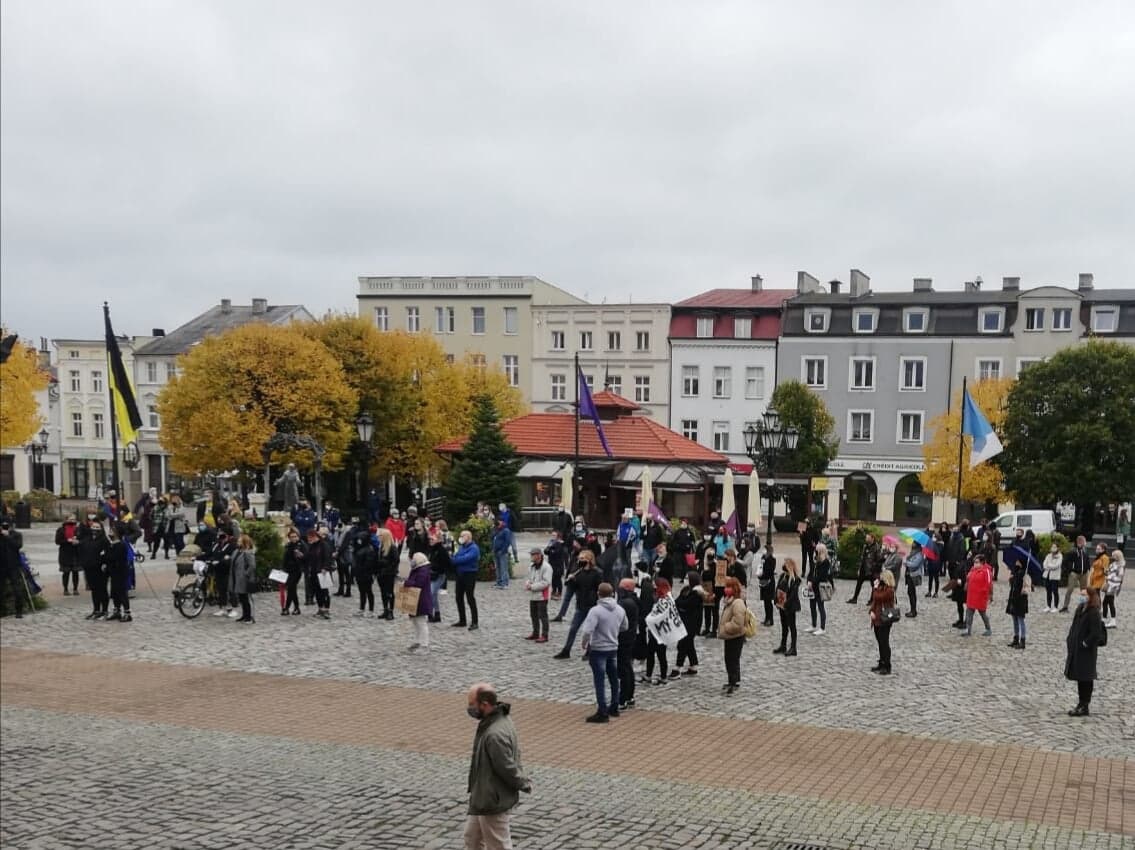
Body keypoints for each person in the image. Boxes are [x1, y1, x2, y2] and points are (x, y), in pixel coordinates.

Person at [464, 682, 531, 850]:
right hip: (483, 795)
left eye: (472, 704)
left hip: (492, 799)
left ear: (484, 704)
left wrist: (523, 783)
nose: (469, 708)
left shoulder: (494, 734)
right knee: (472, 838)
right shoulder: (499, 720)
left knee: (498, 845)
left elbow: (506, 766)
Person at [579, 582, 629, 723]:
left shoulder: (596, 611)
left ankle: (602, 711)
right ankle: (614, 706)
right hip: (613, 647)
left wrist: (584, 643)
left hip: (598, 648)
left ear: (598, 594)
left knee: (599, 681)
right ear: (612, 594)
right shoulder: (620, 609)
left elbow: (588, 630)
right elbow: (625, 626)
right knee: (613, 678)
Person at [1065, 587, 1107, 716]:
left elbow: (1095, 633)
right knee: (1080, 676)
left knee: (1086, 677)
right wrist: (1070, 639)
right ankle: (1080, 703)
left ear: (1090, 596)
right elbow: (1074, 627)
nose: (1081, 597)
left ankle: (1085, 704)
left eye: (1084, 595)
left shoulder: (1094, 612)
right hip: (1077, 649)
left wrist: (1085, 643)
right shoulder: (1080, 609)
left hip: (1087, 651)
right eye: (1081, 594)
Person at [553, 549, 600, 659]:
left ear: (589, 559)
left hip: (593, 605)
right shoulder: (578, 572)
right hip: (581, 605)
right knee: (573, 628)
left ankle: (589, 651)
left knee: (591, 629)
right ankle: (566, 650)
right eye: (579, 558)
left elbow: (599, 588)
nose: (580, 560)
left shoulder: (597, 573)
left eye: (582, 558)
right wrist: (571, 580)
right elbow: (572, 588)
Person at [671, 569, 704, 678]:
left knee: (683, 645)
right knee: (689, 645)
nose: (685, 580)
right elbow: (677, 602)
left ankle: (677, 668)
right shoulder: (685, 590)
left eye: (686, 578)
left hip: (692, 624)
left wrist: (681, 605)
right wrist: (681, 605)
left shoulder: (697, 594)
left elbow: (687, 604)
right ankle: (693, 666)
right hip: (683, 621)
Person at [718, 576, 748, 695]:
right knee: (729, 658)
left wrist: (726, 627)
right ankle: (732, 680)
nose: (726, 589)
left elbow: (738, 623)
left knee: (733, 659)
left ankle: (733, 682)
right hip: (730, 636)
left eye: (728, 587)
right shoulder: (730, 601)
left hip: (735, 635)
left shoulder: (738, 603)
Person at [78, 515, 110, 619]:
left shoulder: (104, 540)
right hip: (89, 568)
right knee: (94, 590)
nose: (95, 530)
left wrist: (105, 563)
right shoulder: (87, 539)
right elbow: (82, 549)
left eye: (97, 528)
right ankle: (96, 610)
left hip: (100, 569)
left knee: (102, 589)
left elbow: (107, 554)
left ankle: (104, 610)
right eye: (93, 527)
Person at [642, 577, 673, 685]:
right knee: (651, 653)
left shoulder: (665, 600)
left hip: (661, 631)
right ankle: (649, 675)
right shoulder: (657, 597)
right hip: (654, 630)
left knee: (661, 654)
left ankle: (663, 676)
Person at [615, 578, 640, 710]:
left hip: (624, 639)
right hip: (630, 637)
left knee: (624, 669)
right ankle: (629, 696)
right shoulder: (632, 600)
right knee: (627, 667)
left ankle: (623, 698)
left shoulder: (625, 603)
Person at [869, 569, 897, 674]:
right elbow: (874, 601)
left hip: (884, 619)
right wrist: (871, 611)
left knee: (884, 642)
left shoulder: (890, 590)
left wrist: (875, 588)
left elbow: (880, 597)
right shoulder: (880, 588)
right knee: (880, 642)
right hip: (877, 618)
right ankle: (881, 662)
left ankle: (887, 665)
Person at [452, 530, 480, 630]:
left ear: (468, 537)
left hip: (469, 574)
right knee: (458, 597)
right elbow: (455, 557)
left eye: (462, 536)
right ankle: (462, 620)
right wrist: (457, 559)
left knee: (470, 597)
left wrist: (457, 559)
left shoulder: (474, 548)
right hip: (460, 574)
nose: (461, 538)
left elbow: (464, 559)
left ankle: (475, 622)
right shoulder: (461, 547)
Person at [772, 558, 802, 656]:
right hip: (782, 604)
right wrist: (776, 599)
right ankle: (783, 645)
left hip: (790, 606)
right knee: (784, 625)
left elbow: (793, 594)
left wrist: (786, 603)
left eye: (785, 564)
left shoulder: (795, 579)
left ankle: (793, 647)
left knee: (792, 626)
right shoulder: (783, 576)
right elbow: (778, 588)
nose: (783, 565)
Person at [405, 552, 434, 651]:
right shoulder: (416, 569)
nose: (412, 560)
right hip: (415, 599)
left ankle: (424, 645)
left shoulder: (423, 570)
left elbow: (418, 584)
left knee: (421, 622)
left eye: (414, 559)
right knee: (415, 622)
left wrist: (406, 583)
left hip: (421, 600)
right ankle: (417, 642)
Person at [105, 521, 133, 622]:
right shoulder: (112, 544)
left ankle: (127, 613)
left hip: (120, 572)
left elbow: (113, 557)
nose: (110, 532)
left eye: (112, 531)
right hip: (113, 572)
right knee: (114, 592)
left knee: (122, 592)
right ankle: (117, 611)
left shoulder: (121, 545)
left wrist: (107, 556)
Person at [0, 520, 28, 619]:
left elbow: (18, 546)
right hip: (2, 566)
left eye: (7, 526)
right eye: (3, 526)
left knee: (16, 588)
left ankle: (19, 611)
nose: (5, 528)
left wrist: (7, 536)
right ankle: (2, 610)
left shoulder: (17, 535)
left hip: (13, 566)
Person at [523, 547, 552, 642]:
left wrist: (532, 587)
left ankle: (545, 635)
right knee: (533, 615)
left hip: (542, 596)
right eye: (531, 554)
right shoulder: (532, 566)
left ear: (539, 555)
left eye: (533, 555)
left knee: (543, 616)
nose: (531, 556)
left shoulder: (546, 567)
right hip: (533, 595)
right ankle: (535, 633)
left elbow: (546, 582)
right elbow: (530, 578)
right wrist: (528, 583)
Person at [961, 555, 994, 637]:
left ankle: (988, 629)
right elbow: (968, 579)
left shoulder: (986, 571)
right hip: (971, 596)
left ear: (982, 563)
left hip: (980, 597)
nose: (975, 564)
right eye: (974, 562)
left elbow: (989, 584)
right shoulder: (972, 570)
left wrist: (989, 595)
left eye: (977, 562)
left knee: (982, 613)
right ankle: (968, 630)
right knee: (969, 613)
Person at [305, 526, 333, 620]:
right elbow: (308, 557)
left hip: (323, 572)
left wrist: (325, 567)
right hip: (314, 572)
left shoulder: (324, 545)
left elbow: (327, 557)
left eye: (311, 537)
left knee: (324, 591)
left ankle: (326, 609)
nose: (309, 539)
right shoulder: (312, 546)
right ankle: (320, 608)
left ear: (315, 536)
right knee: (317, 591)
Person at [806, 542, 833, 635]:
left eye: (816, 550)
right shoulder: (815, 560)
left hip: (820, 587)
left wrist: (812, 582)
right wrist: (809, 581)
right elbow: (811, 572)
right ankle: (813, 625)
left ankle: (822, 627)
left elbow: (822, 576)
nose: (815, 552)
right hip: (813, 587)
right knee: (812, 606)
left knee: (821, 607)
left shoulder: (825, 562)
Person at [1059, 536, 1092, 613]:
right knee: (1070, 590)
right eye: (1084, 541)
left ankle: (1083, 607)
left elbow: (1087, 560)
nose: (1085, 543)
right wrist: (1069, 570)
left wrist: (1088, 568)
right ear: (1080, 542)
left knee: (1084, 591)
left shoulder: (1085, 551)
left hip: (1084, 573)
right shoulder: (1073, 551)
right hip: (1074, 573)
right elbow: (1065, 561)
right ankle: (1065, 606)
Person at [374, 527, 400, 621]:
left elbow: (395, 561)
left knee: (389, 592)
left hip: (389, 574)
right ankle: (385, 609)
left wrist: (387, 567)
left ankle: (390, 611)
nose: (378, 537)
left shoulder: (392, 548)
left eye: (380, 536)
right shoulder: (381, 547)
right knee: (383, 592)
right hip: (381, 574)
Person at [231, 534, 257, 624]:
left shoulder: (248, 552)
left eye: (240, 541)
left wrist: (246, 574)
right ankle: (244, 615)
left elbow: (252, 566)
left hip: (245, 579)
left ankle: (249, 617)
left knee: (246, 598)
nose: (238, 542)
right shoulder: (238, 551)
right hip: (238, 577)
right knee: (242, 598)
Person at [848, 532, 881, 603]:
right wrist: (859, 568)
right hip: (863, 568)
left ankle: (872, 600)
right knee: (859, 583)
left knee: (873, 585)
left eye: (868, 538)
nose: (866, 539)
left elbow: (878, 559)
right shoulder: (865, 546)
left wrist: (873, 567)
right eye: (866, 538)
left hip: (871, 569)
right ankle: (855, 598)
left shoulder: (876, 547)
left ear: (872, 538)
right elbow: (862, 557)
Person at [1005, 553, 1030, 649]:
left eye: (1018, 561)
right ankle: (1016, 638)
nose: (1016, 562)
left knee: (1020, 620)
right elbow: (1013, 585)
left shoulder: (1024, 574)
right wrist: (1011, 578)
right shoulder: (1015, 572)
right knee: (1014, 619)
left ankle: (1022, 640)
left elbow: (1026, 587)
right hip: (1013, 599)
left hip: (1020, 600)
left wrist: (1024, 584)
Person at [427, 530, 451, 623]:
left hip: (439, 575)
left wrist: (435, 567)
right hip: (432, 574)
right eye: (430, 539)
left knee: (432, 593)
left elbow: (446, 563)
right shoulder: (432, 549)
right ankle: (435, 613)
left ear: (438, 540)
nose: (431, 540)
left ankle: (434, 613)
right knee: (432, 594)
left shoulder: (441, 550)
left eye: (433, 539)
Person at [55, 515, 83, 595]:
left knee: (75, 572)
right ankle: (65, 589)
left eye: (74, 519)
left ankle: (75, 589)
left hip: (75, 553)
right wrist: (68, 541)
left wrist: (78, 542)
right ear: (66, 520)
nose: (72, 521)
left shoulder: (78, 529)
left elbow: (82, 539)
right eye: (70, 519)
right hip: (65, 553)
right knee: (66, 573)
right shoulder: (61, 529)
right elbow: (57, 541)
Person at [902, 542, 925, 619]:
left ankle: (913, 611)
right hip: (909, 574)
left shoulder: (919, 554)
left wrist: (906, 563)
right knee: (910, 592)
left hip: (914, 575)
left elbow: (915, 564)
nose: (912, 544)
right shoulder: (913, 552)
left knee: (912, 593)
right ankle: (912, 609)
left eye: (914, 543)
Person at [1103, 550, 1125, 628]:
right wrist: (1106, 572)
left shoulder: (1120, 566)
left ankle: (1112, 621)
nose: (1112, 557)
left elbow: (1119, 577)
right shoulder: (1113, 564)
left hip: (1113, 586)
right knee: (1106, 602)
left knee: (1110, 602)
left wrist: (1109, 577)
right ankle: (1105, 618)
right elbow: (1109, 572)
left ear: (1118, 556)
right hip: (1109, 584)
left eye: (1114, 555)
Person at [757, 543, 776, 626]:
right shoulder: (763, 558)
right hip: (763, 581)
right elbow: (760, 567)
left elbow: (770, 571)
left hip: (769, 582)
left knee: (768, 602)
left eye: (765, 550)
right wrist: (759, 574)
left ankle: (770, 619)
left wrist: (762, 575)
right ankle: (766, 618)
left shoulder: (772, 559)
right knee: (765, 601)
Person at [491, 520, 513, 590]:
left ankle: (505, 583)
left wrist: (503, 551)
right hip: (495, 552)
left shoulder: (506, 530)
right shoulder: (496, 530)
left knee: (504, 568)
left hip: (502, 552)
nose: (498, 524)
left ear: (503, 522)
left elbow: (508, 542)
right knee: (498, 568)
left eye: (499, 522)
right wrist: (494, 529)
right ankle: (499, 582)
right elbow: (492, 537)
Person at [1041, 543, 1063, 613]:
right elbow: (1044, 564)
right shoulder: (1048, 555)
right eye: (1052, 547)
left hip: (1055, 577)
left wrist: (1049, 565)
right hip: (1047, 575)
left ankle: (1056, 607)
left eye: (1055, 547)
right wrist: (1049, 566)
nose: (1053, 548)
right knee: (1048, 591)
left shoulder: (1060, 556)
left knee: (1055, 591)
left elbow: (1056, 565)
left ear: (1057, 548)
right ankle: (1048, 606)